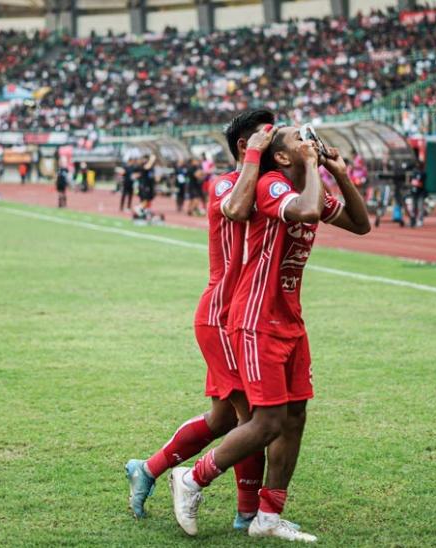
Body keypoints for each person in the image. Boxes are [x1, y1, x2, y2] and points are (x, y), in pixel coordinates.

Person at [169, 126, 370, 543]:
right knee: (268, 421)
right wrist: (314, 166)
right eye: (300, 139)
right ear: (281, 157)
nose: (308, 142)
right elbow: (308, 212)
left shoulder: (306, 184)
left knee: (295, 417)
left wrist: (341, 174)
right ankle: (192, 478)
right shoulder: (272, 186)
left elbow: (360, 224)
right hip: (257, 317)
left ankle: (268, 514)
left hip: (290, 318)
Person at [124, 110, 277, 530]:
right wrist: (253, 159)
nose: (274, 139)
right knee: (254, 418)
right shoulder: (227, 182)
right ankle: (246, 514)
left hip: (245, 315)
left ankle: (147, 468)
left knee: (224, 419)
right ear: (247, 146)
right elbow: (239, 211)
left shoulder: (266, 183)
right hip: (223, 315)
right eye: (266, 135)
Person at [409, 161, 428, 227]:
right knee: (413, 207)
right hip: (414, 192)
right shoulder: (414, 173)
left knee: (420, 207)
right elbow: (411, 181)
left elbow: (419, 183)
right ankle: (412, 220)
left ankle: (420, 220)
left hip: (420, 193)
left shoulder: (423, 173)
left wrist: (414, 182)